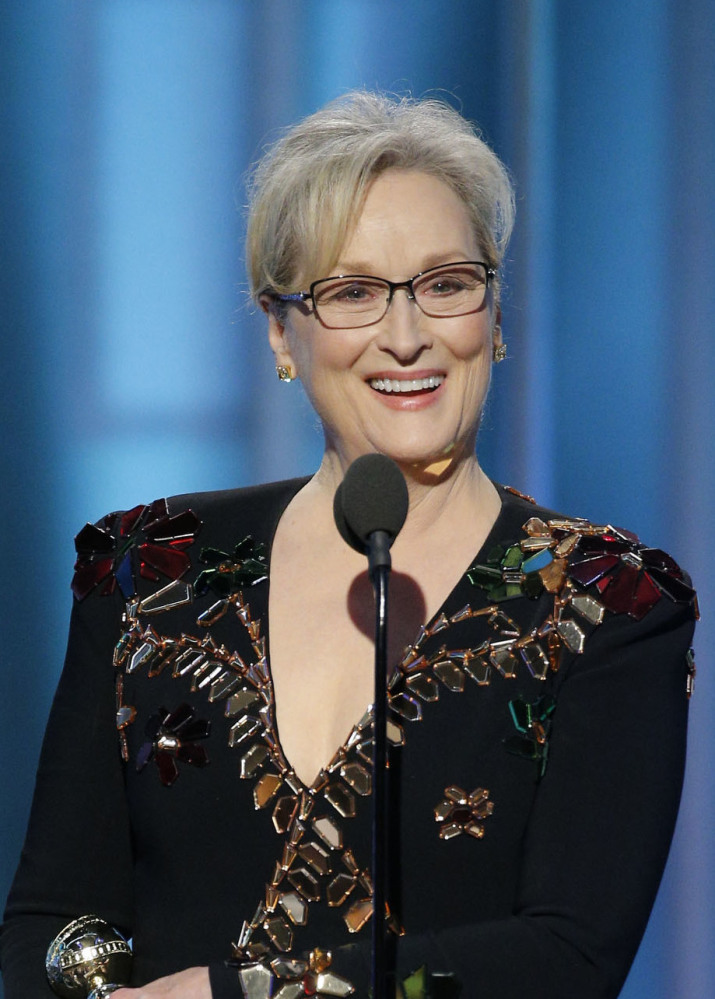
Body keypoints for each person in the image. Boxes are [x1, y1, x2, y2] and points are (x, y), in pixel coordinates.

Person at [0, 91, 697, 999]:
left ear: (495, 314)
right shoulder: (152, 570)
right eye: (353, 293)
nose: (406, 337)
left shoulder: (607, 601)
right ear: (278, 329)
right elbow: (52, 920)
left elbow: (566, 957)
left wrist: (239, 993)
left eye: (446, 283)